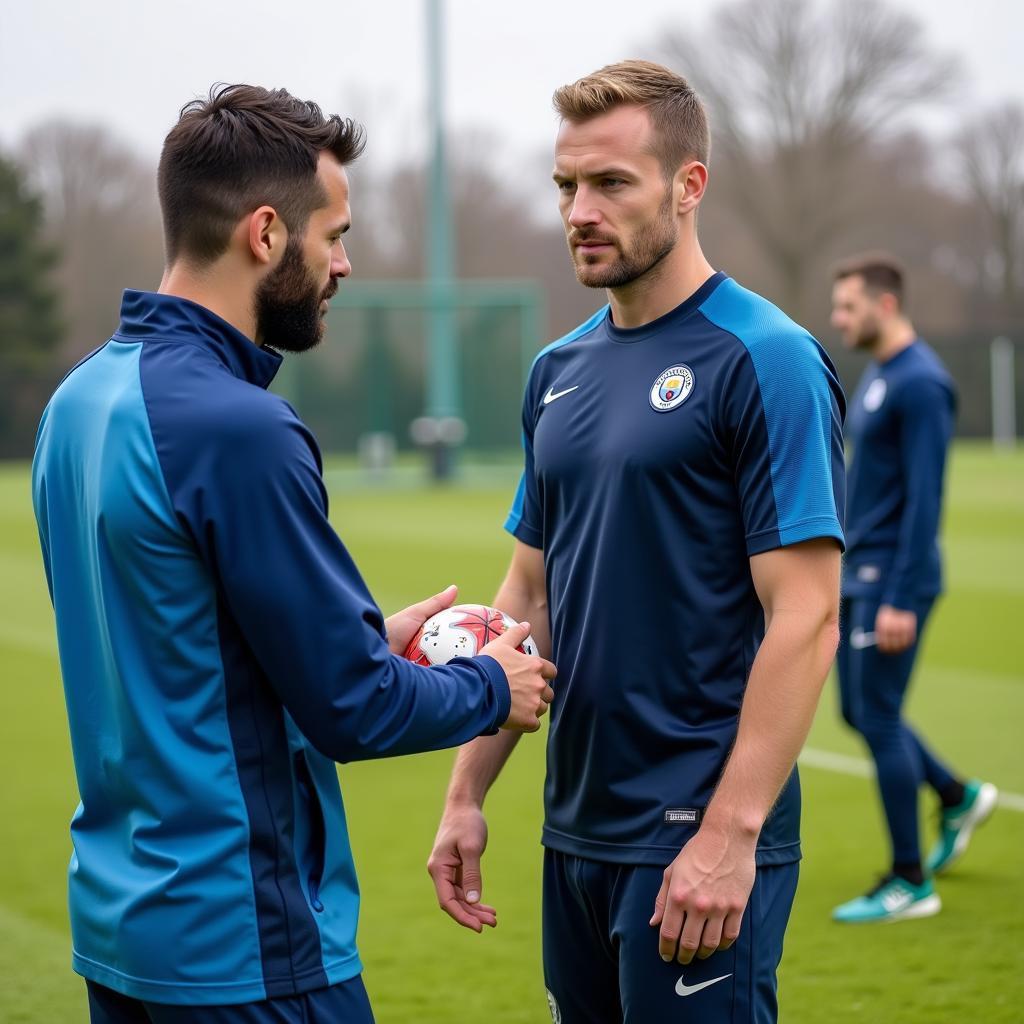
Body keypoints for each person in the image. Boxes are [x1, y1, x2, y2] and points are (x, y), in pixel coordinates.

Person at [30, 84, 556, 1024]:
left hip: (121, 933)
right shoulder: (240, 427)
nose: (344, 264)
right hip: (246, 944)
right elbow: (353, 708)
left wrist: (364, 637)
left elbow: (182, 643)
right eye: (335, 235)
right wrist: (493, 689)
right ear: (267, 234)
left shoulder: (76, 404)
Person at [427, 61, 845, 1024]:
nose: (580, 208)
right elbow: (526, 597)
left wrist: (730, 837)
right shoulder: (555, 371)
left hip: (694, 834)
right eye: (567, 184)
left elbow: (808, 614)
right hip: (574, 829)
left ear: (687, 186)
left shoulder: (765, 357)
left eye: (612, 183)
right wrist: (467, 792)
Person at [828, 254, 997, 924]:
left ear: (885, 304)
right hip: (858, 573)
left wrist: (899, 594)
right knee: (859, 712)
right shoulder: (880, 375)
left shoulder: (923, 383)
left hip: (892, 582)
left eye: (848, 306)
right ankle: (955, 795)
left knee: (878, 716)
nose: (839, 318)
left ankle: (908, 882)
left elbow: (926, 500)